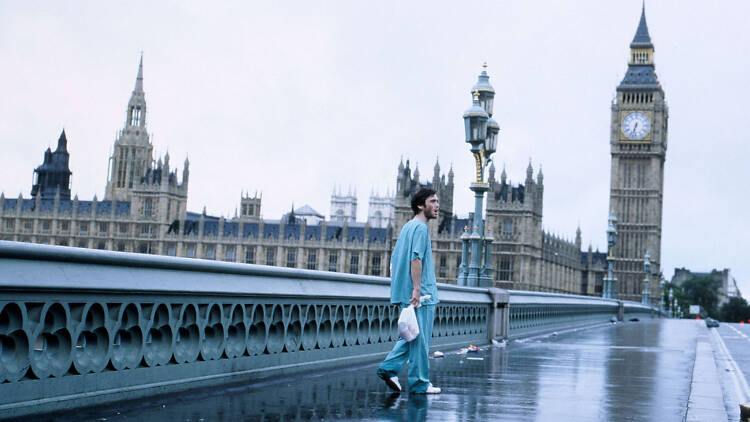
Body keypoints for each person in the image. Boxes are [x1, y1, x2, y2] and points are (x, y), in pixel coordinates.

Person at [376, 187, 440, 394]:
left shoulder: (406, 227)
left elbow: (394, 261)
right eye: (432, 201)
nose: (437, 205)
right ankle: (419, 384)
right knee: (420, 340)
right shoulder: (421, 228)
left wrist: (402, 289)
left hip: (405, 292)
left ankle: (388, 368)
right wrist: (417, 289)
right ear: (420, 205)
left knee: (410, 335)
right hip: (422, 294)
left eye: (437, 201)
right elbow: (415, 259)